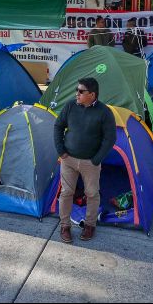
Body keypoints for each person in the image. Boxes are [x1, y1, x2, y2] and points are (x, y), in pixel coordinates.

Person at [54, 77, 116, 243]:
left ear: (92, 94)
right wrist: (61, 151)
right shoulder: (70, 106)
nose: (77, 94)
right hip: (68, 160)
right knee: (66, 193)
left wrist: (96, 159)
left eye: (81, 91)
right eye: (77, 90)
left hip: (90, 163)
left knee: (92, 194)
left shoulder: (104, 112)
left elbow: (110, 139)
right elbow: (58, 126)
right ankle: (65, 225)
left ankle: (90, 225)